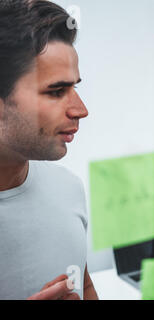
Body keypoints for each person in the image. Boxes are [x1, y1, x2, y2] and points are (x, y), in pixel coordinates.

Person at [0, 0, 98, 300]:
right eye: (57, 91)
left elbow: (84, 286)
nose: (81, 110)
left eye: (74, 88)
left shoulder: (67, 188)